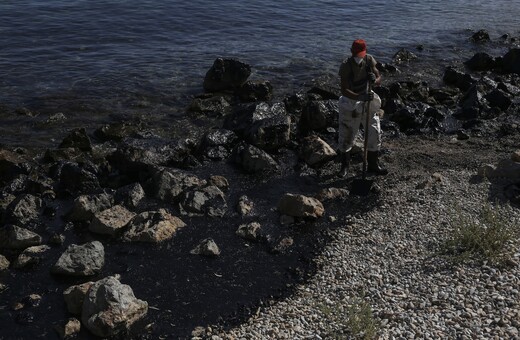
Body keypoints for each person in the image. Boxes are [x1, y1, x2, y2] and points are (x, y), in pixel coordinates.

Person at [337, 39, 388, 178]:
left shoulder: (369, 59)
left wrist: (374, 80)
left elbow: (379, 78)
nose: (359, 56)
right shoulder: (346, 65)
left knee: (374, 131)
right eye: (357, 54)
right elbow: (344, 89)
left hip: (368, 100)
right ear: (352, 52)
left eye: (361, 53)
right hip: (350, 102)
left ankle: (373, 164)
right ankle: (344, 167)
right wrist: (359, 97)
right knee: (347, 134)